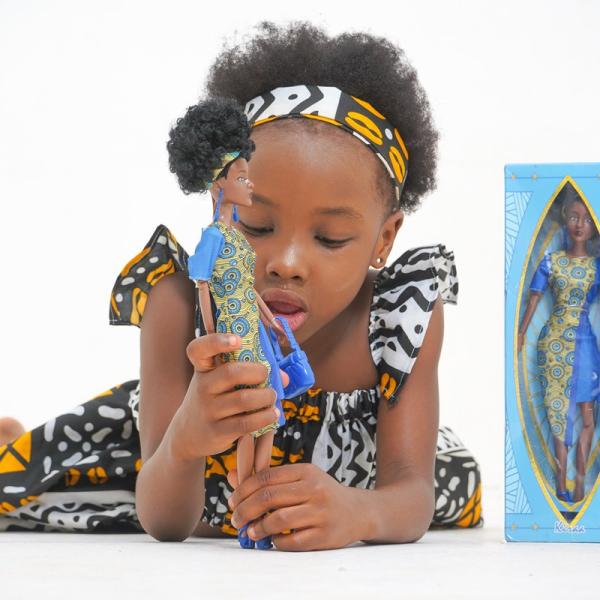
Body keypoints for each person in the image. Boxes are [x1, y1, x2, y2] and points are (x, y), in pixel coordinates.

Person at [0, 21, 482, 549]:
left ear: (383, 240)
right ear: (220, 207)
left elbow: (410, 496)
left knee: (459, 487)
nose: (287, 264)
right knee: (48, 483)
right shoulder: (179, 304)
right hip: (165, 477)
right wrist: (185, 441)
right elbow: (162, 521)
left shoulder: (398, 319)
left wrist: (360, 514)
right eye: (257, 227)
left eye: (331, 237)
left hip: (353, 488)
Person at [518, 183, 600, 504]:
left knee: (588, 415)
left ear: (593, 226)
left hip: (587, 346)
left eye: (586, 219)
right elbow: (534, 299)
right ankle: (560, 484)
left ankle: (580, 482)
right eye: (573, 217)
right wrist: (522, 332)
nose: (580, 224)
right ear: (565, 221)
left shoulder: (596, 266)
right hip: (552, 344)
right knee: (556, 413)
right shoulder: (551, 262)